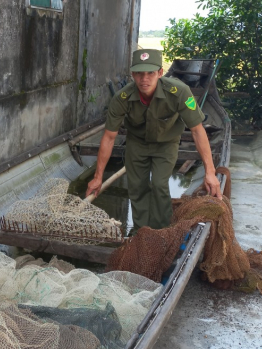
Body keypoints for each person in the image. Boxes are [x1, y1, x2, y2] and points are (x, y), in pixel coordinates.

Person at [85, 49, 221, 232]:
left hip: (167, 143)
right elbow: (109, 137)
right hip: (137, 143)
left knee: (159, 185)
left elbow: (197, 131)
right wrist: (97, 177)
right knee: (137, 188)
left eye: (150, 73)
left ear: (160, 73)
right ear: (132, 75)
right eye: (139, 73)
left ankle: (161, 233)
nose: (144, 79)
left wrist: (210, 172)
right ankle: (141, 233)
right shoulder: (122, 98)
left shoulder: (179, 92)